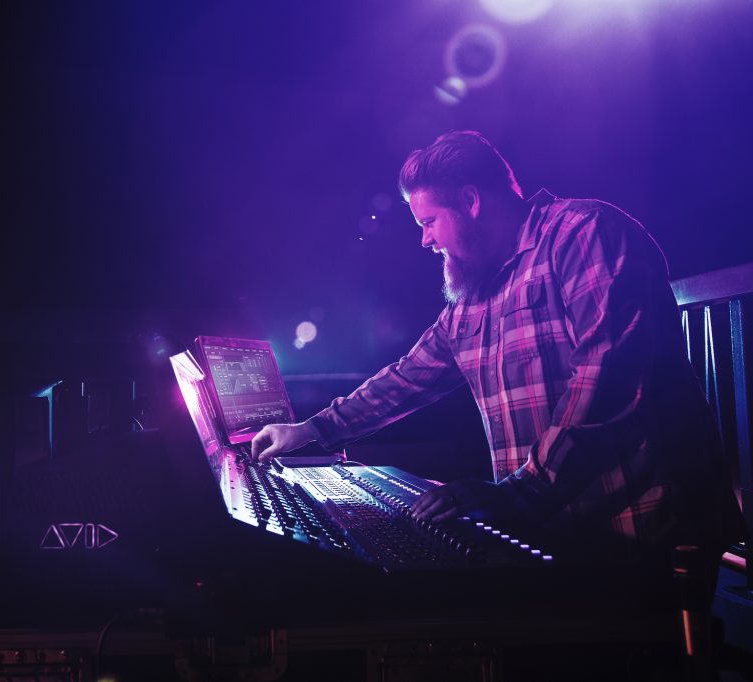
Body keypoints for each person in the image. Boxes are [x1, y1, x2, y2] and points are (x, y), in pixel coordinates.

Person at [251, 130, 743, 563]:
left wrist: (519, 493)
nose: (424, 241)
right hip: (557, 530)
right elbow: (408, 377)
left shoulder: (584, 233)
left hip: (644, 535)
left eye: (428, 222)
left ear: (470, 201)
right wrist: (311, 429)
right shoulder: (476, 293)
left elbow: (606, 378)